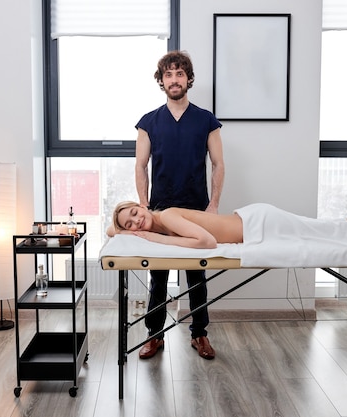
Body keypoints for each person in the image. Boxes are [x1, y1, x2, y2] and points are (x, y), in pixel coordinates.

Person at [133, 50, 225, 360]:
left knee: (196, 276)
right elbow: (140, 166)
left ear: (188, 79)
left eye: (179, 74)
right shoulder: (148, 122)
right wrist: (145, 206)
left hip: (196, 210)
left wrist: (213, 205)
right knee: (158, 278)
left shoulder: (206, 120)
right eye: (169, 75)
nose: (175, 80)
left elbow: (218, 164)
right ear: (162, 81)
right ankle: (154, 335)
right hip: (160, 210)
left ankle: (199, 334)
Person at [108, 201, 347, 249]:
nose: (136, 221)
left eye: (134, 213)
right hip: (256, 223)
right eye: (130, 225)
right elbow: (112, 231)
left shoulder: (166, 217)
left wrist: (153, 237)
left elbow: (206, 243)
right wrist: (121, 230)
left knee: (334, 232)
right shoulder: (160, 224)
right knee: (328, 226)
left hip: (262, 225)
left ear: (142, 205)